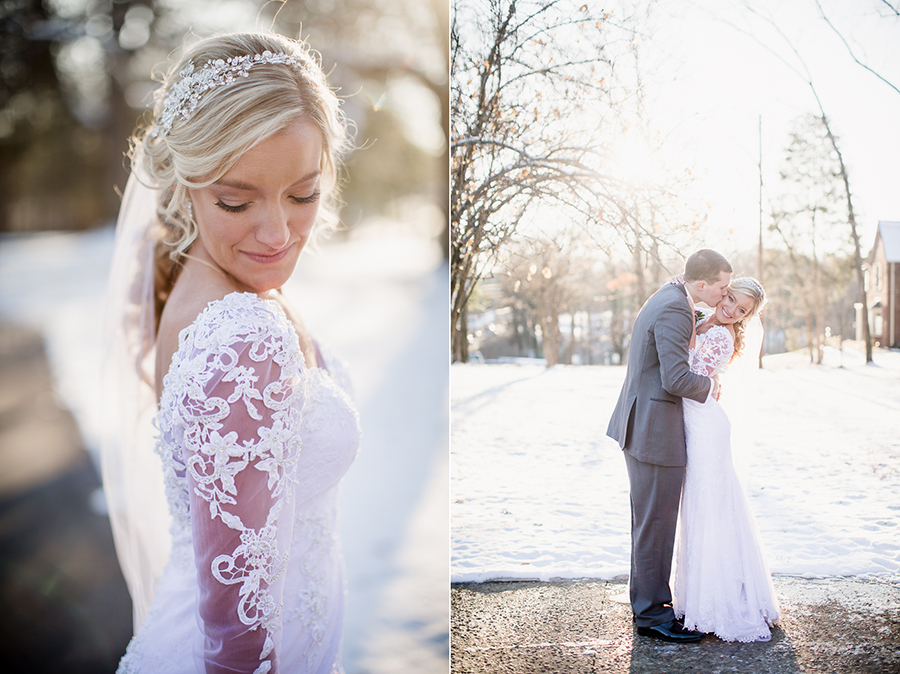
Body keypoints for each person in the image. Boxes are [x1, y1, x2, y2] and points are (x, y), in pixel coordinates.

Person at [101, 32, 360, 673]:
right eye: (237, 200)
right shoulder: (241, 338)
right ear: (183, 182)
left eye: (302, 194)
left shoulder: (202, 281)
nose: (277, 233)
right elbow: (235, 634)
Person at [606, 249, 732, 643]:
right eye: (722, 287)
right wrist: (711, 386)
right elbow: (676, 378)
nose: (724, 296)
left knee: (649, 523)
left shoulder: (671, 297)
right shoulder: (676, 308)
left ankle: (647, 605)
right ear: (701, 284)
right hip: (653, 431)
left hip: (644, 424)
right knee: (656, 525)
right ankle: (653, 616)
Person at [673, 276, 781, 642]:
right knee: (705, 506)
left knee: (709, 508)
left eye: (742, 310)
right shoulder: (709, 321)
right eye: (731, 299)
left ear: (747, 317)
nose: (731, 310)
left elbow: (687, 373)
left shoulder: (720, 336)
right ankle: (704, 594)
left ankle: (718, 602)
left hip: (705, 425)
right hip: (698, 420)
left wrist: (689, 324)